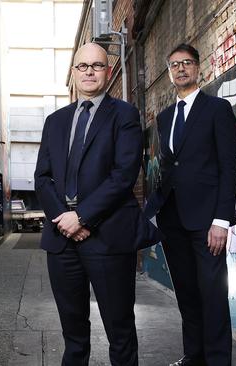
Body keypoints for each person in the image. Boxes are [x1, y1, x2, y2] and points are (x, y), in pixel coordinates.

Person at [34, 42, 143, 366]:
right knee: (73, 334)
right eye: (83, 66)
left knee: (120, 331)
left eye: (97, 65)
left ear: (108, 72)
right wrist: (64, 219)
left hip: (108, 238)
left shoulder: (124, 115)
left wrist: (81, 217)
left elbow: (124, 174)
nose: (90, 71)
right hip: (62, 242)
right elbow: (42, 177)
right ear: (73, 74)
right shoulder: (55, 121)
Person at [144, 44, 236, 366]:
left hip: (207, 221)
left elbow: (229, 167)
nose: (181, 68)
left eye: (186, 63)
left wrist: (222, 221)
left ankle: (217, 361)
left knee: (213, 295)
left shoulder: (217, 109)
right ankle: (194, 356)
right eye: (174, 64)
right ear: (170, 72)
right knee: (186, 294)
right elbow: (167, 168)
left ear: (199, 67)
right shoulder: (165, 117)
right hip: (173, 220)